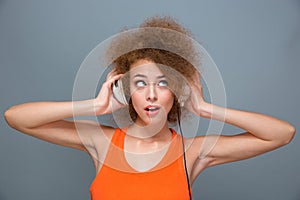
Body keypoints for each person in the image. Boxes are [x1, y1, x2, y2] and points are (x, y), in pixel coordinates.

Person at [4, 16, 296, 200]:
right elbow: (16, 118)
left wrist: (206, 108)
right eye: (141, 83)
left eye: (163, 83)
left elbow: (282, 134)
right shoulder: (102, 142)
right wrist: (93, 105)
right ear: (127, 90)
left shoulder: (192, 152)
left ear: (176, 91)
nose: (152, 95)